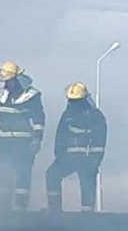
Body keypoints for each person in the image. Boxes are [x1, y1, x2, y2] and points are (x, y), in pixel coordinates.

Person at [0, 61, 45, 210]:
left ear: (16, 79)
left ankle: (20, 208)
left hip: (23, 143)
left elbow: (39, 118)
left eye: (8, 81)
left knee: (23, 174)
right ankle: (2, 208)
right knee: (1, 174)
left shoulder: (31, 96)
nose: (6, 84)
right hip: (4, 142)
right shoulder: (2, 95)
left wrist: (37, 138)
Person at [45, 82, 107, 212]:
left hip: (87, 158)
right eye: (71, 101)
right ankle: (54, 209)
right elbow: (60, 135)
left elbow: (100, 139)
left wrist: (95, 160)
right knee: (52, 174)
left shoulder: (95, 115)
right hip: (68, 157)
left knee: (87, 182)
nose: (73, 104)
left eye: (76, 101)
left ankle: (87, 213)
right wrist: (59, 155)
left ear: (83, 100)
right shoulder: (67, 115)